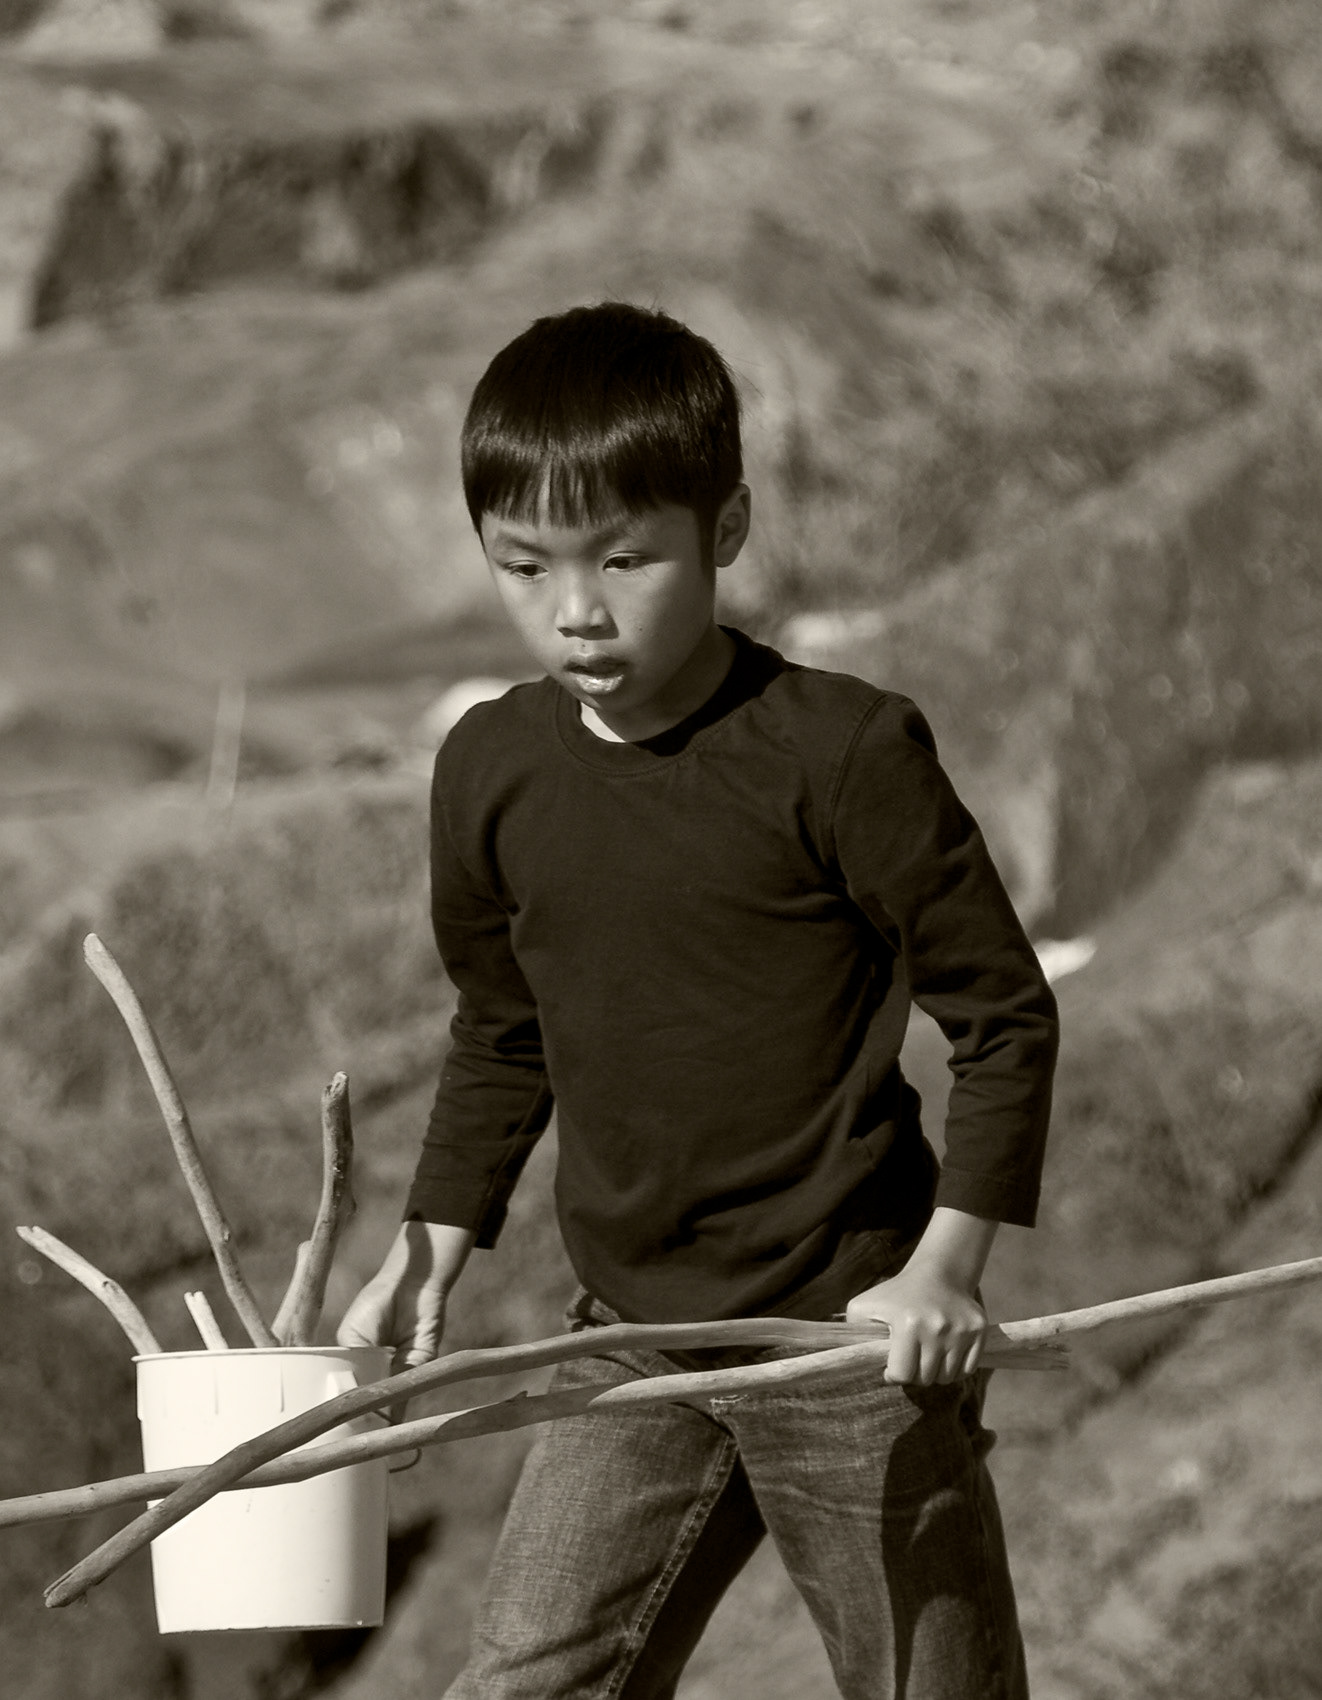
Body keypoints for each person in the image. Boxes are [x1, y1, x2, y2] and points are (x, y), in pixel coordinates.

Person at [338, 301, 1059, 1700]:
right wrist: (430, 1245)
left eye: (625, 558)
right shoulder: (489, 769)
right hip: (629, 1336)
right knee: (522, 1680)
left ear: (725, 529)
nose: (577, 610)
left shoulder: (842, 753)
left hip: (847, 1340)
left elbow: (1003, 1018)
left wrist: (944, 1270)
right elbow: (501, 1026)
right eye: (524, 566)